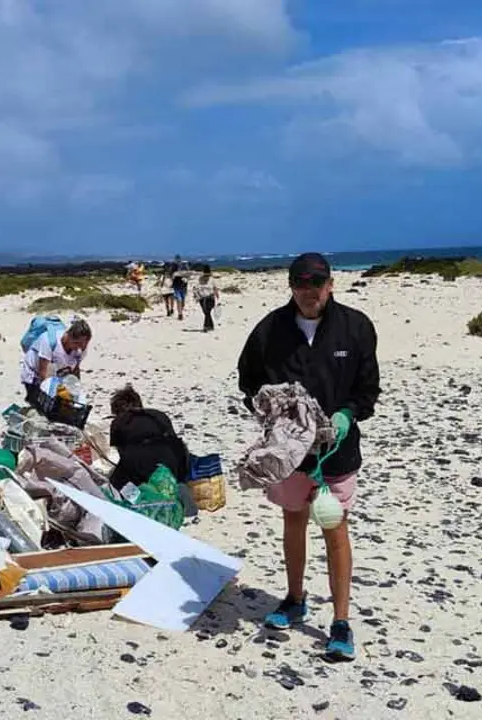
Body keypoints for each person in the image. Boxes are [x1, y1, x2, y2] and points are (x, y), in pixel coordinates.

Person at [237, 252, 380, 663]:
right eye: (301, 284)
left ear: (330, 284)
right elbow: (248, 381)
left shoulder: (355, 327)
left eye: (316, 284)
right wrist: (272, 416)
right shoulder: (269, 330)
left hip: (337, 449)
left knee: (334, 526)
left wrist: (347, 415)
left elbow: (368, 390)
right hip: (289, 453)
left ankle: (339, 622)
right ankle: (295, 598)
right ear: (291, 286)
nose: (308, 292)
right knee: (294, 519)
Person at [107, 385, 189, 491]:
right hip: (173, 467)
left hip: (141, 470)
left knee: (112, 486)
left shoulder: (119, 422)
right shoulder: (159, 415)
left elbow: (123, 454)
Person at [20, 318, 91, 408]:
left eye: (83, 344)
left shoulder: (81, 348)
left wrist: (76, 392)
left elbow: (75, 370)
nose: (79, 348)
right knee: (39, 404)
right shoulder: (49, 341)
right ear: (68, 336)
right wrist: (50, 395)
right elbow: (43, 372)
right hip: (34, 374)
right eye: (76, 343)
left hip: (57, 372)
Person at [193, 264, 220, 332]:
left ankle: (206, 327)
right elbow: (196, 288)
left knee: (207, 312)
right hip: (202, 298)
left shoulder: (212, 279)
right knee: (206, 313)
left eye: (208, 275)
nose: (207, 276)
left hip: (210, 298)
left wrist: (217, 296)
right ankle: (211, 326)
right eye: (206, 274)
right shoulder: (200, 279)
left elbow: (215, 288)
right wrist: (196, 296)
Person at [171, 255, 189, 321]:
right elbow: (171, 275)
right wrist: (173, 276)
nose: (177, 261)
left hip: (183, 286)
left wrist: (186, 278)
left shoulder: (184, 266)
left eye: (178, 259)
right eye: (176, 259)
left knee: (183, 302)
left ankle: (181, 310)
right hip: (176, 286)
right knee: (179, 300)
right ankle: (180, 314)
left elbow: (188, 274)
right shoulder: (173, 266)